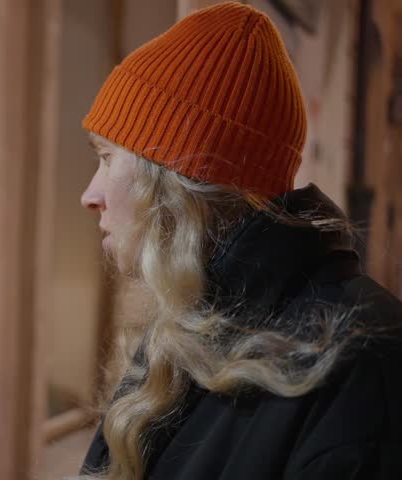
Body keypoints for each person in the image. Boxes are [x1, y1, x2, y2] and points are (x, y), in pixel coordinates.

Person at [77, 2, 402, 479]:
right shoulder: (194, 324)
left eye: (107, 158)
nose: (90, 195)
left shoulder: (368, 364)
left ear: (176, 183)